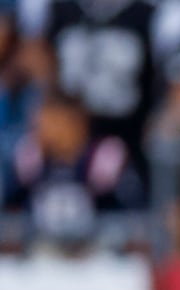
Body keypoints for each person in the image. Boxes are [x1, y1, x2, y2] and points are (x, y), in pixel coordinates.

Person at [16, 0, 180, 248]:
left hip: (134, 139)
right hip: (71, 145)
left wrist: (163, 131)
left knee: (174, 215)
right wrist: (52, 111)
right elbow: (32, 54)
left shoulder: (162, 4)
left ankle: (176, 286)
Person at [2, 88, 145, 254]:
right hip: (40, 256)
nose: (40, 129)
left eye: (50, 121)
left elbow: (135, 214)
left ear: (75, 121)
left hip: (97, 254)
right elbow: (10, 212)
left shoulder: (103, 156)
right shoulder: (30, 158)